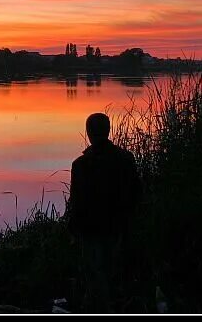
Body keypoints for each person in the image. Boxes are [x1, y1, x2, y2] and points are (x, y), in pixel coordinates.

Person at [66, 112, 141, 313]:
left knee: (95, 275)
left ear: (89, 133)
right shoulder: (126, 159)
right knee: (113, 274)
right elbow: (136, 194)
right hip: (118, 227)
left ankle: (100, 308)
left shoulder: (80, 165)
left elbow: (76, 201)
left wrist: (72, 229)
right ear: (108, 131)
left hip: (90, 230)